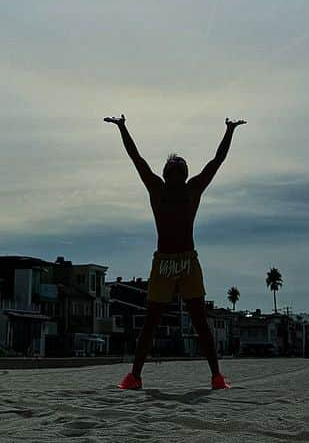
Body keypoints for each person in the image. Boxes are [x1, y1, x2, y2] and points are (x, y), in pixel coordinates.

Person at [104, 113, 246, 390]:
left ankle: (216, 376)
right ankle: (134, 376)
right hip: (164, 263)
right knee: (151, 321)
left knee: (200, 321)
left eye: (181, 164)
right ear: (167, 172)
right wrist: (123, 128)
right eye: (173, 164)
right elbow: (137, 158)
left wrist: (229, 131)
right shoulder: (156, 188)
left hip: (188, 261)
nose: (177, 166)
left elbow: (217, 161)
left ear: (186, 172)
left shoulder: (193, 189)